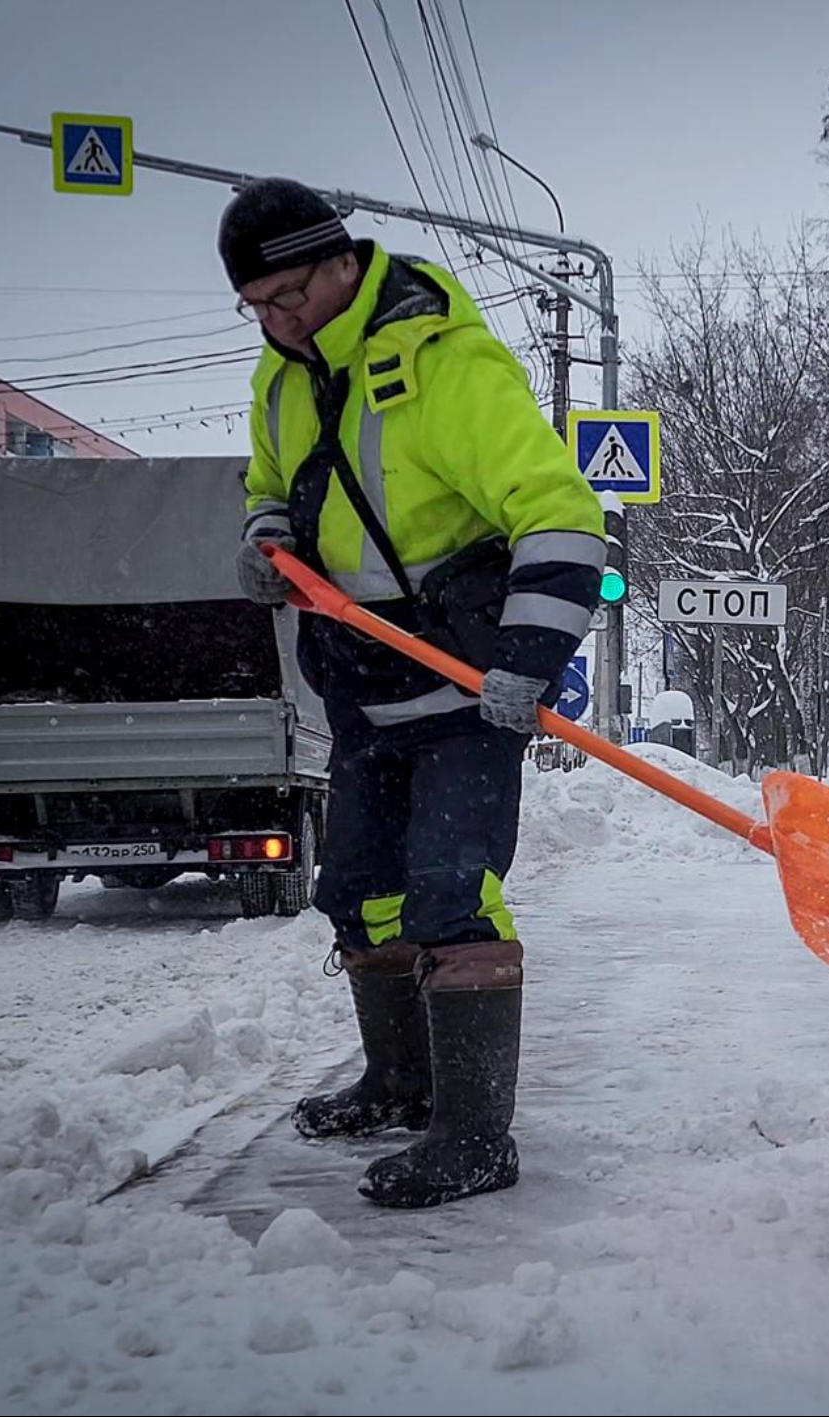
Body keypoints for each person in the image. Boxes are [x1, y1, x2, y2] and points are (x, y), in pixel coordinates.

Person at [221, 178, 606, 1207]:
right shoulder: (281, 376)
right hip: (361, 683)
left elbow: (560, 512)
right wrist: (269, 540)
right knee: (360, 891)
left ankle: (475, 1137)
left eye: (287, 294)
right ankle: (398, 1083)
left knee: (449, 891)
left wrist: (530, 657)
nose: (274, 320)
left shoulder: (445, 362)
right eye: (255, 305)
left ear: (340, 260)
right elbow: (268, 483)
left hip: (467, 683)